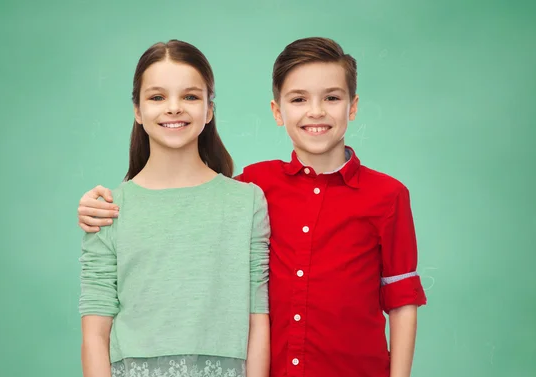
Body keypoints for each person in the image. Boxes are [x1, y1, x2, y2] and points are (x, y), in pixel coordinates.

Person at [78, 37, 427, 377]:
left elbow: (401, 301)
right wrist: (95, 204)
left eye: (332, 98)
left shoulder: (385, 195)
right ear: (277, 111)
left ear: (352, 106)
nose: (316, 111)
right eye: (299, 99)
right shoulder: (256, 186)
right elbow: (187, 199)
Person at [78, 39, 270, 377]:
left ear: (209, 109)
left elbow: (257, 317)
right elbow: (95, 333)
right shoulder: (107, 209)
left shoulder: (247, 202)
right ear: (137, 110)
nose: (174, 108)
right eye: (157, 97)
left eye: (190, 96)